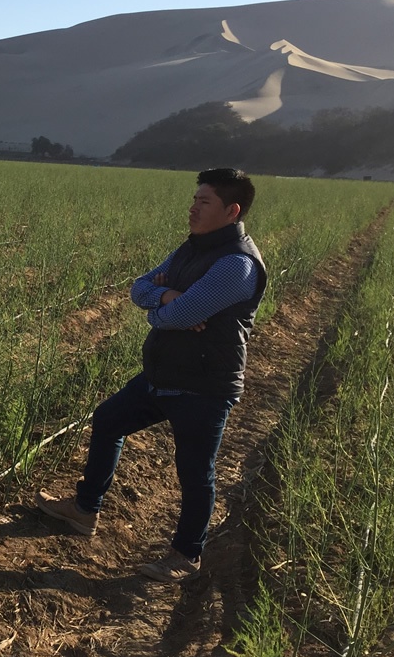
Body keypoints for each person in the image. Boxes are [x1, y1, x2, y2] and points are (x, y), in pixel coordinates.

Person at [36, 168, 265, 583]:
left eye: (204, 202)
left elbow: (181, 316)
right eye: (194, 199)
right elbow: (138, 288)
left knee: (195, 472)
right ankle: (86, 509)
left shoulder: (238, 265)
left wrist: (167, 309)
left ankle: (186, 555)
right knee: (108, 420)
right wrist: (165, 295)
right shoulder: (190, 250)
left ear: (231, 211)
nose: (193, 207)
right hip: (164, 373)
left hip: (204, 386)